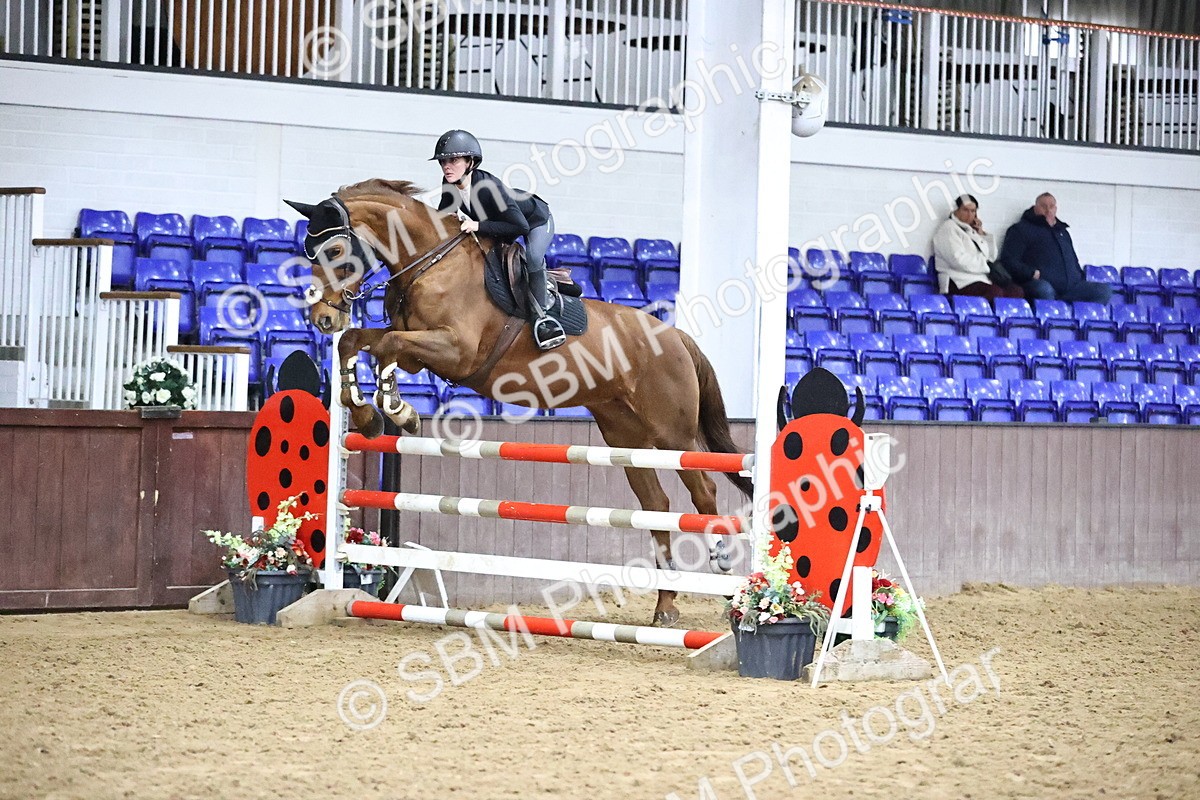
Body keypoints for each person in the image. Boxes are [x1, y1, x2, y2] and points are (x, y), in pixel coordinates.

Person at [432, 129, 566, 351]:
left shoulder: (489, 189)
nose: (446, 166)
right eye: (443, 161)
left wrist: (477, 225)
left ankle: (543, 316)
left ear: (470, 162)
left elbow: (519, 226)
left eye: (453, 160)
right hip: (503, 225)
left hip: (535, 221)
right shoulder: (451, 183)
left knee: (532, 257)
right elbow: (442, 215)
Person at [999, 193, 1113, 303]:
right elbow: (1008, 260)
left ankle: (1078, 321)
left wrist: (1078, 276)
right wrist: (1030, 273)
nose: (1048, 210)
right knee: (1044, 289)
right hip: (1039, 284)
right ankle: (1051, 320)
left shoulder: (1062, 232)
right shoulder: (1020, 230)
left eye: (1051, 206)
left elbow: (1073, 260)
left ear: (1056, 208)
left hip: (1071, 288)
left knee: (1103, 291)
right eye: (1043, 206)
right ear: (1035, 208)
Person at [931, 194, 1024, 300]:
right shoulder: (948, 228)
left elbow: (992, 256)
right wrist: (985, 265)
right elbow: (957, 260)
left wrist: (981, 235)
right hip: (958, 280)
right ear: (956, 210)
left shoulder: (971, 230)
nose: (970, 215)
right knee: (994, 292)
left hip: (981, 278)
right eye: (965, 210)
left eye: (973, 211)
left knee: (1016, 291)